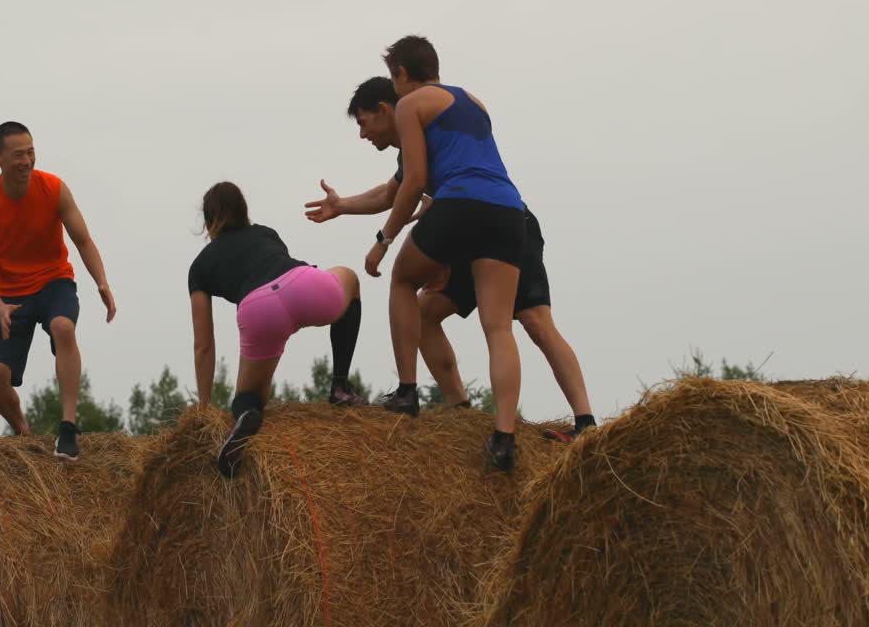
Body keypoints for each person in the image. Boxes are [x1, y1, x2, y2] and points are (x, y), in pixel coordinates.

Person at [309, 76, 596, 442]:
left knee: (535, 320)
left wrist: (385, 240)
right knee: (424, 313)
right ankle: (461, 412)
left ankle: (585, 422)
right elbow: (390, 193)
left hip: (500, 223)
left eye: (364, 123)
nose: (363, 134)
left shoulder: (426, 123)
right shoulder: (413, 143)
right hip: (468, 231)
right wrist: (342, 205)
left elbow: (418, 188)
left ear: (384, 110)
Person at [362, 36, 527, 471]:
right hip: (510, 210)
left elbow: (415, 181)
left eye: (393, 77)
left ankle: (407, 391)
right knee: (498, 327)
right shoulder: (474, 101)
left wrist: (383, 240)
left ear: (401, 73)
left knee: (402, 280)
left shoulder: (409, 104)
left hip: (460, 203)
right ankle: (504, 437)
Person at [189, 182, 364, 478]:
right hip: (304, 284)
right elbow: (280, 278)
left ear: (208, 221)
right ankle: (340, 386)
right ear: (243, 210)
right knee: (350, 278)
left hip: (259, 310)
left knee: (250, 396)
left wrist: (204, 410)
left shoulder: (200, 267)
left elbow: (203, 344)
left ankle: (246, 412)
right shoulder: (265, 233)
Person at [0, 121, 116, 460]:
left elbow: (83, 240)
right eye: (18, 155)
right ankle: (24, 434)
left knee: (63, 327)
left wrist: (101, 281)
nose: (27, 161)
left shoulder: (54, 189)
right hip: (8, 294)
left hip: (53, 282)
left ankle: (68, 428)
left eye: (31, 152)